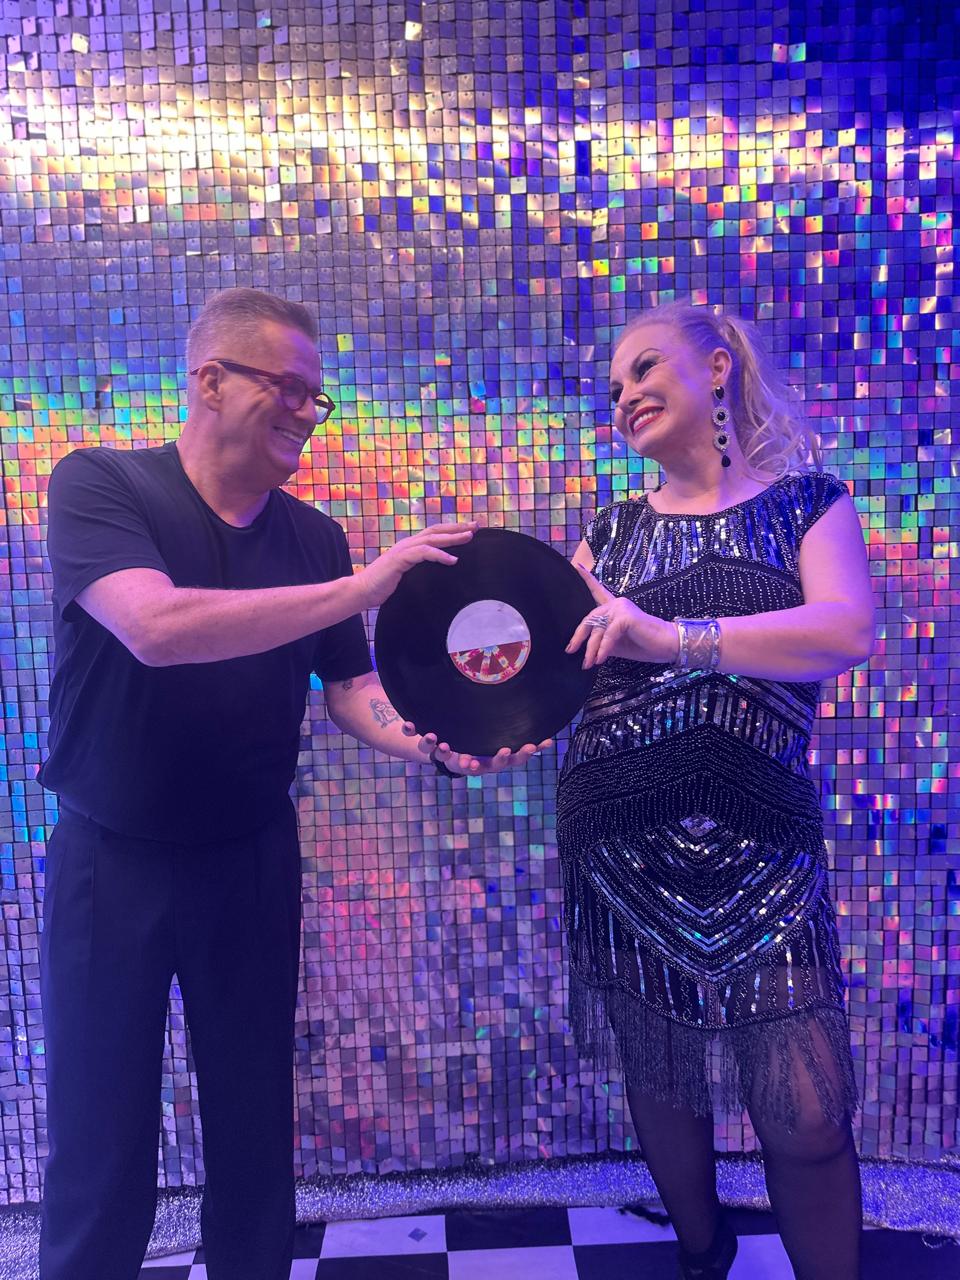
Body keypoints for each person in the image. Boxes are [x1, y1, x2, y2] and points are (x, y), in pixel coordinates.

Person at [37, 287, 541, 1280]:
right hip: (109, 861)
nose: (308, 414)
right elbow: (155, 627)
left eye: (318, 397)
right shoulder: (101, 485)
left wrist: (434, 741)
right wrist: (358, 588)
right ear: (210, 381)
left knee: (253, 1123)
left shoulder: (313, 538)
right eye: (288, 389)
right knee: (100, 1137)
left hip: (250, 859)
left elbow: (351, 689)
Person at [560, 301, 874, 1280]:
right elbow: (548, 675)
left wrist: (675, 638)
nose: (626, 395)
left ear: (719, 367)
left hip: (764, 843)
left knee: (809, 1111)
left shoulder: (807, 503)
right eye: (615, 386)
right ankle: (704, 1254)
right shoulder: (612, 532)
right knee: (665, 1077)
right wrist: (470, 727)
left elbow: (846, 629)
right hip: (621, 843)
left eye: (646, 367)